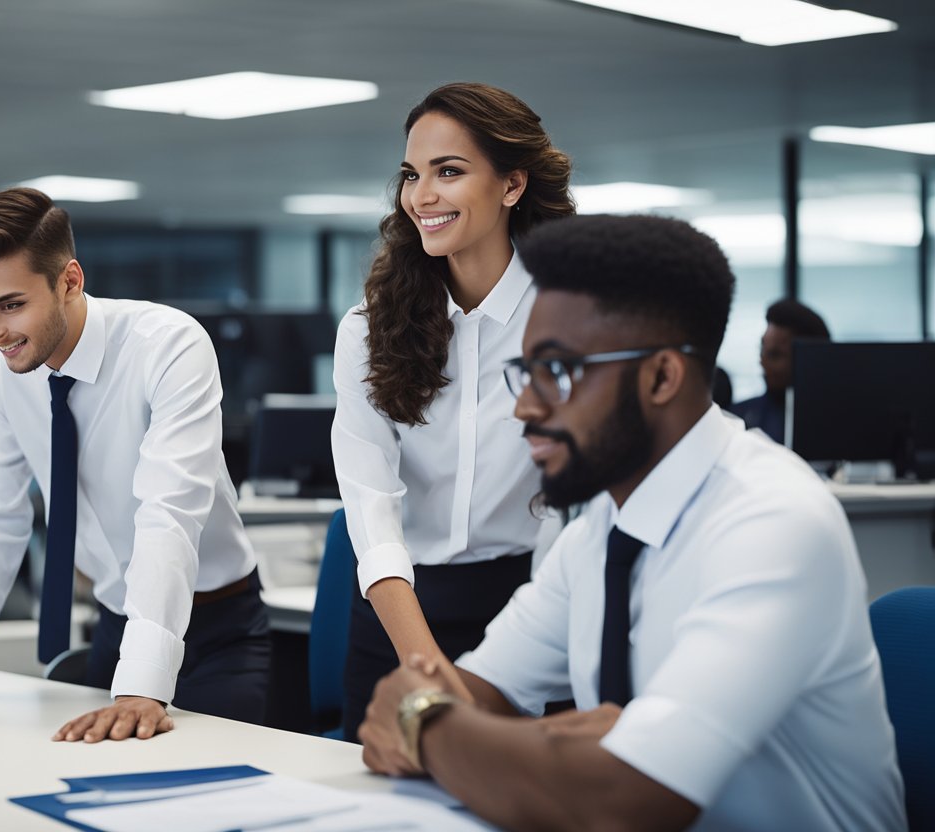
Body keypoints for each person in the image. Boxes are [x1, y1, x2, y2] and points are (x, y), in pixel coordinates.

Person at [358, 214, 904, 831]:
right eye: (526, 370)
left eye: (558, 372)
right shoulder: (599, 532)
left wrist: (426, 726)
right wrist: (543, 744)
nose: (526, 407)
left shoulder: (774, 524)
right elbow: (461, 694)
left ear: (662, 376)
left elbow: (624, 802)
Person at [0, 187, 270, 742]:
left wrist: (142, 684)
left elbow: (167, 513)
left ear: (69, 281)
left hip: (219, 630)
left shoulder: (168, 345)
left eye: (11, 304)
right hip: (115, 623)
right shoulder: (4, 375)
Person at [331, 82, 574, 740]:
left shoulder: (568, 320)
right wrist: (428, 666)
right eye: (412, 174)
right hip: (399, 610)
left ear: (513, 185)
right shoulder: (366, 329)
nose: (422, 196)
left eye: (450, 172)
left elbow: (567, 506)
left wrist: (497, 668)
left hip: (532, 603)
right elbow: (371, 509)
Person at [730, 298, 831, 443]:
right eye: (762, 350)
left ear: (811, 361)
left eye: (775, 355)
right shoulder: (738, 420)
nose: (762, 362)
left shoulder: (837, 423)